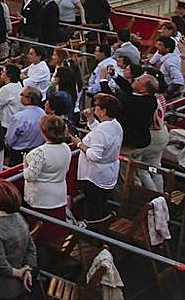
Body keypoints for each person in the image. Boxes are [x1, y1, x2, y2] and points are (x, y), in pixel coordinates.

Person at [71, 93, 123, 222]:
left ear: (103, 111)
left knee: (94, 206)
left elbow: (94, 155)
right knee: (100, 203)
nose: (94, 109)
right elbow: (99, 135)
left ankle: (94, 232)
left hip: (95, 175)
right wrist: (90, 119)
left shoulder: (103, 130)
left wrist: (78, 143)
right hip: (107, 171)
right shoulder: (115, 124)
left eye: (96, 107)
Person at [22, 115, 72, 247]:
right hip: (58, 194)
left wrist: (24, 164)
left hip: (41, 199)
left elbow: (29, 176)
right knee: (55, 233)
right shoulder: (66, 148)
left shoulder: (39, 153)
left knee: (40, 237)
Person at [3, 87, 44, 166]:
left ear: (28, 100)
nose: (20, 96)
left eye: (22, 95)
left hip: (19, 154)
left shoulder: (19, 117)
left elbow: (9, 139)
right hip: (37, 151)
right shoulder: (42, 113)